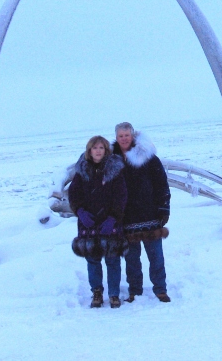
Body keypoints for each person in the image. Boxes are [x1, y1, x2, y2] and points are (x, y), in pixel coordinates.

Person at [112, 122, 171, 303]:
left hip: (150, 215)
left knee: (156, 257)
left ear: (133, 136)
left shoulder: (148, 157)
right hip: (126, 218)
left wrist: (164, 208)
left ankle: (160, 289)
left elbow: (162, 184)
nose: (124, 139)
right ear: (116, 137)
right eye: (120, 136)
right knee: (131, 259)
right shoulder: (111, 160)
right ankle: (134, 290)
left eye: (126, 135)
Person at [68, 135, 128, 308]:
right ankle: (96, 292)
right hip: (89, 223)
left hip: (110, 223)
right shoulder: (82, 171)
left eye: (101, 148)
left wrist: (113, 218)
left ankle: (114, 294)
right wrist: (80, 212)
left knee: (112, 260)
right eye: (95, 148)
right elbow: (74, 194)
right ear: (89, 150)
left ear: (106, 150)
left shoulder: (114, 171)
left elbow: (121, 196)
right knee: (93, 261)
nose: (98, 151)